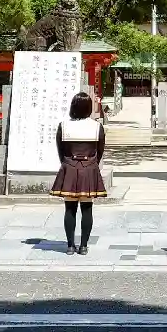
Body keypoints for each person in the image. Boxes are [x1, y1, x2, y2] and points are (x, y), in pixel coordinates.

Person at [50, 92, 107, 255]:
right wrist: (91, 164)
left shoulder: (64, 126)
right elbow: (100, 151)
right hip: (89, 168)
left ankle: (70, 246)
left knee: (70, 208)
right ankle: (83, 246)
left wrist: (68, 163)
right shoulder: (96, 127)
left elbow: (61, 151)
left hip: (69, 167)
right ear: (89, 108)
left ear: (73, 106)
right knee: (87, 208)